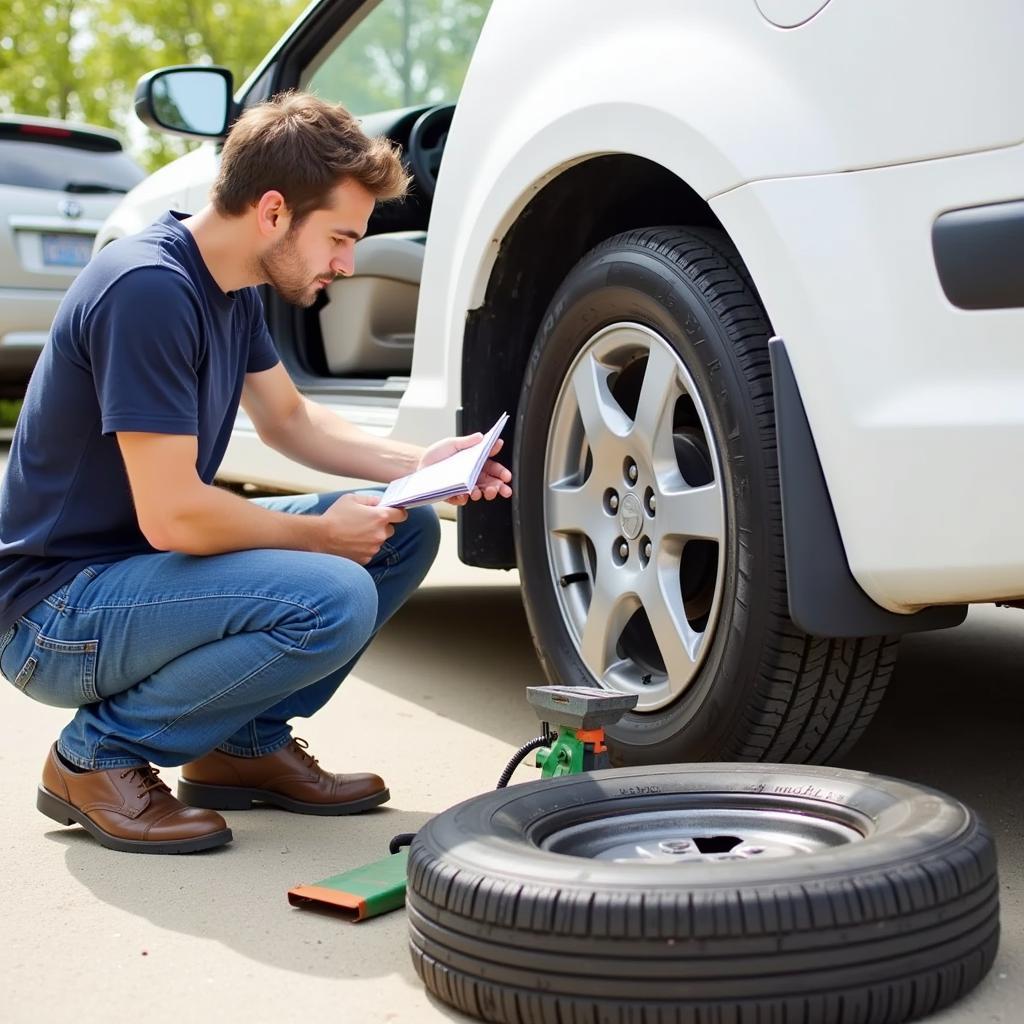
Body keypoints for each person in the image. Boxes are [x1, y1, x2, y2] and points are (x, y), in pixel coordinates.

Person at [0, 92, 512, 855]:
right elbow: (173, 517)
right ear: (273, 211)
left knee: (403, 529)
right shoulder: (148, 289)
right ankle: (93, 759)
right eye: (339, 236)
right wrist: (316, 536)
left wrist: (422, 466)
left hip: (135, 576)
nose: (346, 261)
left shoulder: (230, 285)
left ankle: (241, 746)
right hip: (54, 614)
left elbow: (291, 421)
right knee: (334, 589)